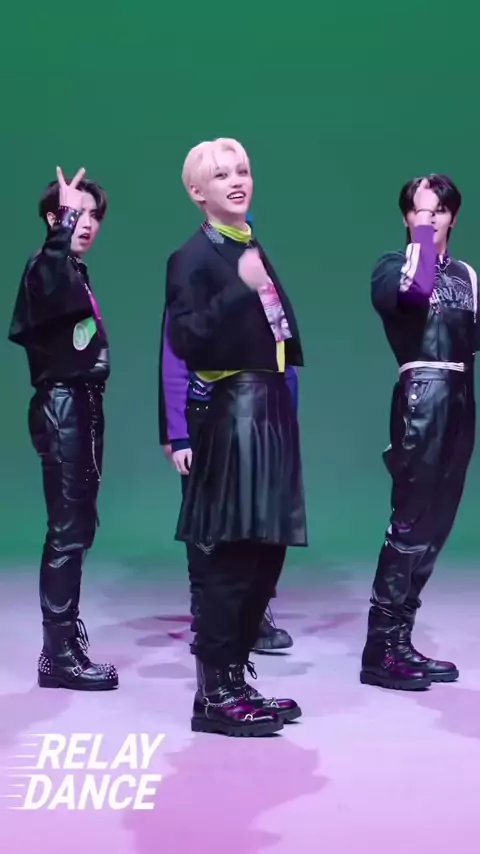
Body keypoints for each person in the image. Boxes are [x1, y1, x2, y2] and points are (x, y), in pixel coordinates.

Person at [164, 137, 307, 736]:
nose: (237, 181)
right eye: (222, 175)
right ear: (197, 192)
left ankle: (235, 677)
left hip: (270, 405)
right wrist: (237, 288)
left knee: (268, 553)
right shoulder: (193, 256)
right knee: (234, 553)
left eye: (242, 170)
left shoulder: (249, 246)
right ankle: (215, 693)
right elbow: (186, 339)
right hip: (236, 408)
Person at [159, 212, 295, 653]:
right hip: (213, 414)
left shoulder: (260, 279)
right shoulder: (197, 270)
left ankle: (250, 618)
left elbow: (279, 350)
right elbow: (174, 356)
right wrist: (178, 435)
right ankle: (210, 619)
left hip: (264, 417)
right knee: (212, 525)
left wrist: (284, 415)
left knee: (258, 522)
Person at [361, 174, 478, 691]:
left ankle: (401, 640)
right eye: (419, 211)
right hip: (421, 393)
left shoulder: (468, 275)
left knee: (439, 521)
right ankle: (380, 647)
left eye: (438, 211)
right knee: (411, 520)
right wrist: (425, 241)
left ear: (455, 217)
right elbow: (415, 294)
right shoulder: (393, 267)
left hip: (461, 395)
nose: (428, 220)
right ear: (406, 218)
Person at [8, 167, 119, 691]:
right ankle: (57, 654)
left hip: (82, 405)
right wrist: (63, 223)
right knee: (66, 531)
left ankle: (64, 643)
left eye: (94, 215)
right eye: (76, 214)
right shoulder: (46, 267)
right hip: (62, 406)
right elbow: (51, 274)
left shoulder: (72, 270)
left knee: (77, 528)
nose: (87, 224)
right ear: (54, 220)